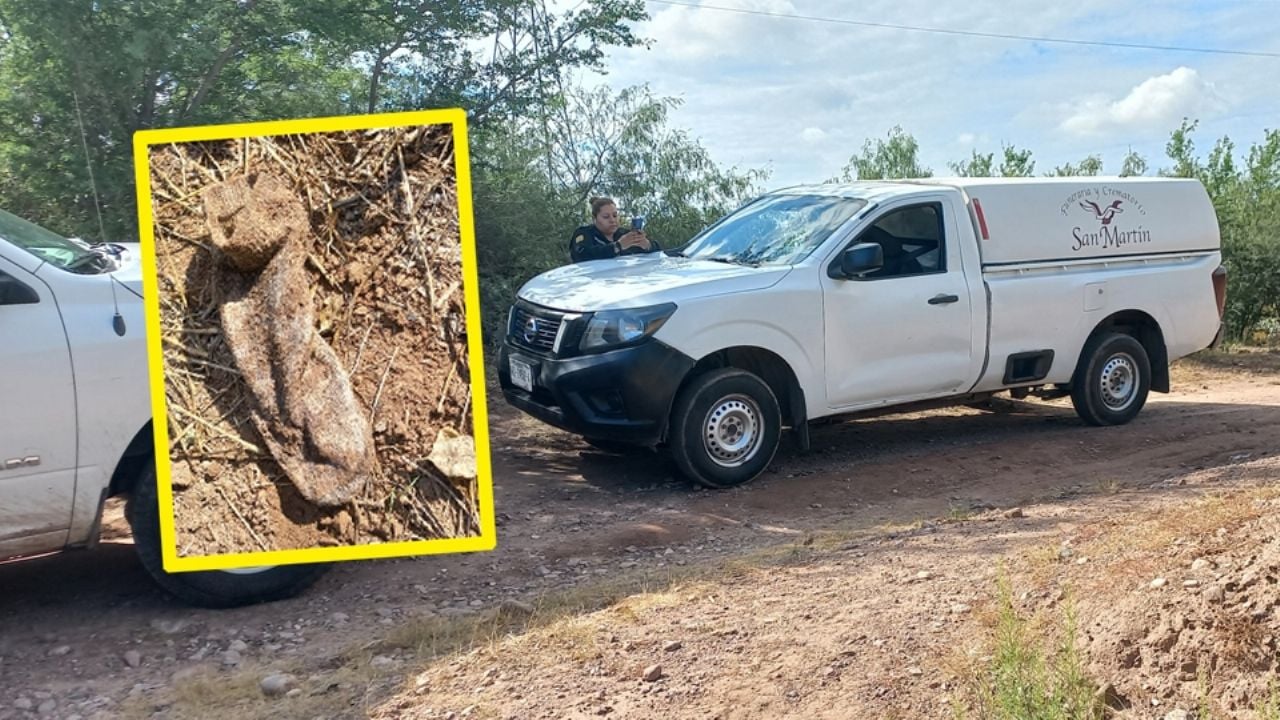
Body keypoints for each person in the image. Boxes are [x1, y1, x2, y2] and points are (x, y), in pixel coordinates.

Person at [569, 196, 661, 263]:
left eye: (615, 215)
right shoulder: (584, 233)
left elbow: (658, 251)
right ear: (594, 219)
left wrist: (646, 245)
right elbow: (581, 255)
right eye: (606, 217)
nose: (612, 220)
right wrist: (617, 246)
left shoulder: (624, 234)